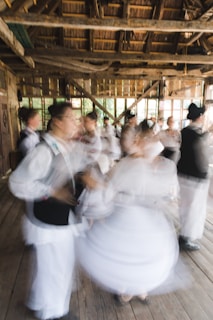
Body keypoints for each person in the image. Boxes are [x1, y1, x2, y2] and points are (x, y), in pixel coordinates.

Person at [76, 119, 185, 305]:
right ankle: (127, 289)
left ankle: (137, 289)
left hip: (143, 217)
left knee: (139, 253)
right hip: (131, 216)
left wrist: (98, 185)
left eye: (144, 140)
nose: (140, 143)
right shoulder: (130, 165)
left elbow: (113, 190)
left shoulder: (151, 166)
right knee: (130, 252)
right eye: (141, 140)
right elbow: (113, 190)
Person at [8, 102, 91, 320]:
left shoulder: (63, 146)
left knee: (49, 266)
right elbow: (17, 183)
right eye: (71, 117)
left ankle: (40, 302)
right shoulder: (44, 150)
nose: (75, 121)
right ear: (57, 121)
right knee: (56, 268)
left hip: (60, 218)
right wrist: (51, 191)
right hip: (49, 222)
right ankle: (54, 313)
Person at [177, 103, 209, 251]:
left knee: (184, 206)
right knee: (194, 209)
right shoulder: (198, 135)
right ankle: (186, 238)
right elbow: (202, 158)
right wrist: (204, 173)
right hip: (195, 177)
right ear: (201, 116)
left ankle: (184, 235)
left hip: (182, 174)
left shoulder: (184, 131)